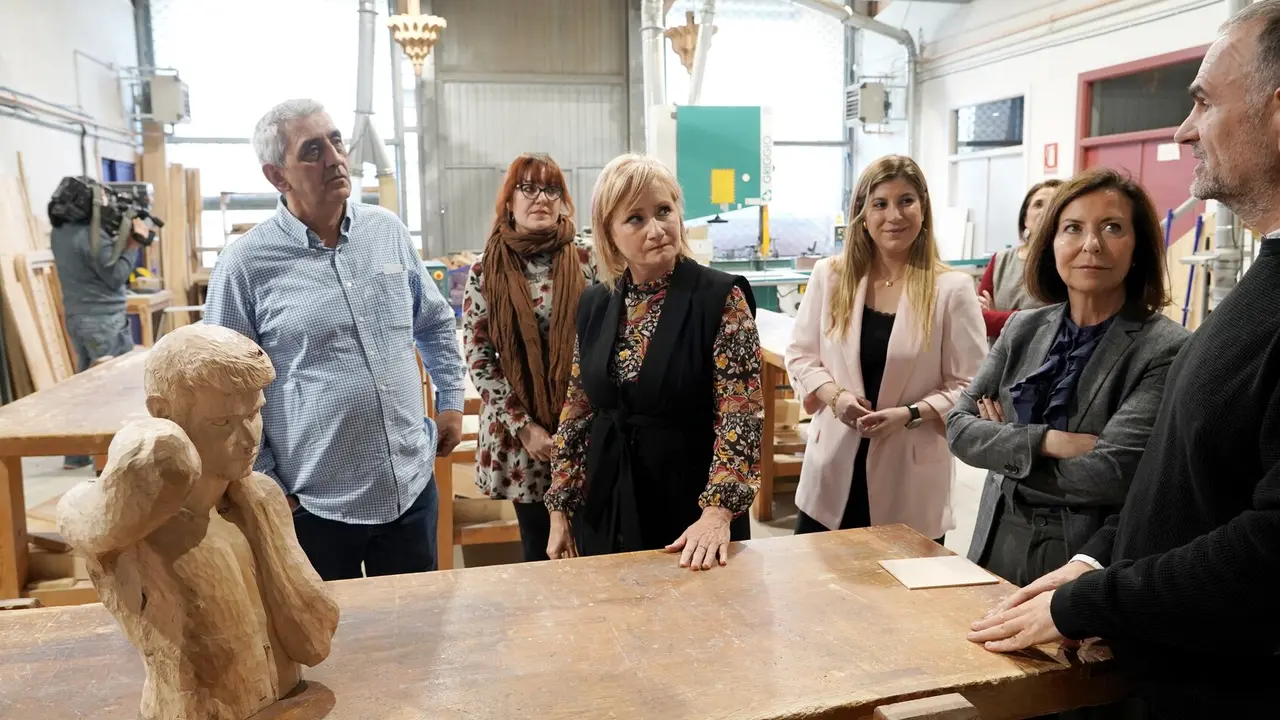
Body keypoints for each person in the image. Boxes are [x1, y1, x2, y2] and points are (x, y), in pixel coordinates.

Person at [969, 3, 1280, 715]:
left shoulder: (1170, 339)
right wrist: (1092, 565)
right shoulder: (1259, 288)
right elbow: (1183, 485)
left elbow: (1267, 544)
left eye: (1202, 101)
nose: (1183, 128)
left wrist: (1096, 599)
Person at [204, 98, 467, 581]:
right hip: (315, 507)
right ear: (277, 176)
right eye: (311, 151)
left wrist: (450, 399)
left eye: (336, 141)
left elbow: (431, 321)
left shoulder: (386, 232)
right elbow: (223, 389)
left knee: (416, 630)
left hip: (410, 486)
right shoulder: (245, 266)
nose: (334, 158)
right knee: (330, 646)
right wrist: (265, 478)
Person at [56, 324, 339, 720]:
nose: (248, 439)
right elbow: (81, 519)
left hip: (291, 700)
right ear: (162, 413)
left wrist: (258, 516)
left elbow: (315, 641)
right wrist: (142, 452)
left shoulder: (260, 499)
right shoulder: (137, 530)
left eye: (254, 413)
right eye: (222, 423)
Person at [947, 168, 1189, 588]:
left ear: (1138, 248)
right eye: (1073, 228)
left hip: (1085, 559)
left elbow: (1112, 472)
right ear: (1051, 242)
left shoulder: (1164, 347)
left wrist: (1004, 450)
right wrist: (1046, 442)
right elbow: (958, 427)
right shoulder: (1022, 328)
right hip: (994, 540)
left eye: (1112, 227)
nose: (1090, 244)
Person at [543, 154, 764, 570]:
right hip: (606, 503)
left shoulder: (719, 298)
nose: (657, 229)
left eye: (664, 211)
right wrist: (560, 507)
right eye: (636, 219)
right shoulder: (595, 303)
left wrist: (718, 513)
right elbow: (578, 409)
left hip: (690, 516)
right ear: (609, 233)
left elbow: (742, 414)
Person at [785, 155, 987, 542]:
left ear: (923, 209)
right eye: (880, 204)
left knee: (898, 595)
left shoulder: (952, 289)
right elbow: (801, 355)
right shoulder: (831, 276)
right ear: (862, 213)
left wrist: (911, 413)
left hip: (910, 471)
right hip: (833, 470)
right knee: (818, 589)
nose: (894, 215)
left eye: (906, 201)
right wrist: (836, 396)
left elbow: (971, 384)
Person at [463, 153, 596, 562]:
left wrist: (579, 420)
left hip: (586, 427)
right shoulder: (485, 270)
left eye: (551, 188)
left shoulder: (590, 260)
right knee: (540, 551)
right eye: (529, 188)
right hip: (522, 436)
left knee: (595, 545)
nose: (541, 198)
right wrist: (525, 428)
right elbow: (479, 355)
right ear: (509, 202)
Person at [47, 178, 151, 469]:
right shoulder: (93, 237)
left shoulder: (60, 233)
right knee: (112, 392)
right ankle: (108, 463)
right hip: (103, 320)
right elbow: (116, 275)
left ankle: (76, 454)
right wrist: (132, 243)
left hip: (78, 317)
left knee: (85, 388)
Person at [976, 180, 1062, 339]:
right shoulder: (1001, 259)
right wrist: (1018, 317)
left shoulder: (1066, 262)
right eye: (1038, 204)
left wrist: (995, 314)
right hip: (999, 360)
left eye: (1054, 204)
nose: (1046, 210)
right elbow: (978, 319)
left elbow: (1045, 322)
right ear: (1025, 219)